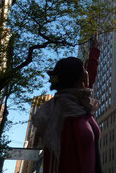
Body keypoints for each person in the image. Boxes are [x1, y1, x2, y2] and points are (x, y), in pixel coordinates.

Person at [33, 36, 102, 173]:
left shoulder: (79, 103)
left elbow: (90, 77)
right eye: (84, 69)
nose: (87, 72)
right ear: (78, 79)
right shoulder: (59, 114)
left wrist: (95, 50)